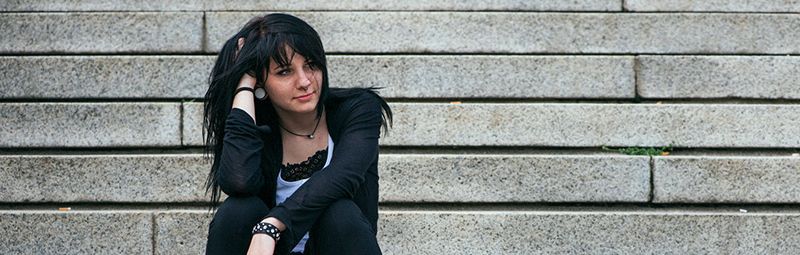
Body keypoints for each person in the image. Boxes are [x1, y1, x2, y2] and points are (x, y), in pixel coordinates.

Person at [202, 13, 391, 255]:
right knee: (238, 209)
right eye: (284, 71)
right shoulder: (259, 128)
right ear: (262, 83)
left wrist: (272, 225)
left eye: (311, 65)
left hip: (336, 246)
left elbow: (343, 176)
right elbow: (238, 181)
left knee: (339, 213)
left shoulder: (357, 109)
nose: (304, 81)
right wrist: (244, 84)